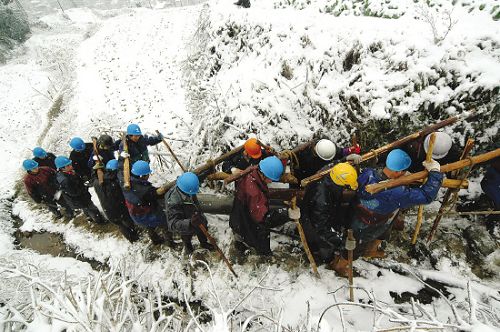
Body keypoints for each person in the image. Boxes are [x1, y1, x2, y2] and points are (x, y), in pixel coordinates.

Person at [331, 149, 443, 276]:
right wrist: (435, 172)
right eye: (404, 171)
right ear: (398, 172)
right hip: (372, 221)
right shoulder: (398, 193)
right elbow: (427, 196)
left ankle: (370, 250)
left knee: (361, 238)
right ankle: (339, 266)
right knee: (355, 247)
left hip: (357, 213)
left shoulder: (368, 173)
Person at [229, 156, 294, 255]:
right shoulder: (253, 192)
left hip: (240, 219)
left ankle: (241, 249)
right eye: (270, 179)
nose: (271, 182)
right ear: (263, 175)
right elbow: (264, 218)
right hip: (248, 227)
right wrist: (287, 213)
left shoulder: (252, 171)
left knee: (241, 243)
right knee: (261, 253)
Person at [299, 163, 358, 264]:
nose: (347, 189)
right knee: (323, 247)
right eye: (346, 187)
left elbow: (336, 164)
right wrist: (341, 242)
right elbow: (320, 228)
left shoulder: (330, 177)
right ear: (340, 184)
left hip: (322, 215)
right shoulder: (321, 199)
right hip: (312, 223)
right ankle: (320, 257)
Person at [122, 160, 174, 246]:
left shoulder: (127, 183)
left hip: (136, 216)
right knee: (164, 222)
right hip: (146, 215)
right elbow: (157, 194)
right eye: (147, 174)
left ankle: (155, 240)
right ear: (142, 176)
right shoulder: (145, 191)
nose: (149, 175)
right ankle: (170, 242)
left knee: (148, 226)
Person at [165, 172, 214, 254]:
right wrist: (189, 223)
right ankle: (189, 249)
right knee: (186, 238)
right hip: (185, 225)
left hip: (196, 216)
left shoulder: (187, 187)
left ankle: (204, 243)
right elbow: (172, 224)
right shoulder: (173, 202)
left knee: (202, 230)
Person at [92, 159, 139, 243]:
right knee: (127, 220)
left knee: (120, 225)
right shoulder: (114, 183)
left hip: (108, 209)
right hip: (119, 208)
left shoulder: (96, 181)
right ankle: (134, 233)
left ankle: (131, 238)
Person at [55, 156, 105, 224]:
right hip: (79, 198)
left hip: (81, 197)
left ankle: (89, 217)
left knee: (87, 208)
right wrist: (84, 188)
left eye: (70, 164)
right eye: (68, 165)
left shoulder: (69, 172)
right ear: (62, 168)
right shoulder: (65, 180)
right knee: (92, 208)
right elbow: (74, 192)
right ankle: (99, 220)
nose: (71, 166)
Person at [289, 139, 362, 182]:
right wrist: (345, 159)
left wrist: (348, 151)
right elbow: (329, 167)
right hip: (302, 179)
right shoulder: (308, 160)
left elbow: (338, 152)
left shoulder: (325, 146)